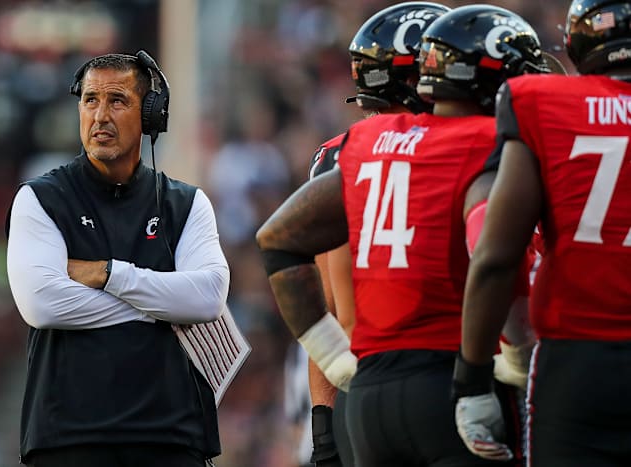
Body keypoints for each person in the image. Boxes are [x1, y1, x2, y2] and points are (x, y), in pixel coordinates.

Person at [257, 5, 549, 466]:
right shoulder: (478, 142)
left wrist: (324, 414)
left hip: (362, 388)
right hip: (455, 378)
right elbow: (493, 258)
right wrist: (515, 361)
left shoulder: (353, 147)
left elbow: (323, 294)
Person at [5, 51, 230, 467]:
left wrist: (110, 274)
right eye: (90, 100)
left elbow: (208, 298)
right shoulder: (39, 199)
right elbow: (42, 304)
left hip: (171, 437)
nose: (100, 115)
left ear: (150, 114)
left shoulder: (187, 203)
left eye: (117, 100)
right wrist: (162, 305)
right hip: (68, 439)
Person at [452, 0, 631, 465]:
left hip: (579, 363)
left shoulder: (542, 102)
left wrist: (471, 378)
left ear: (577, 44)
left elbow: (495, 256)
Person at [303, 3, 450, 466]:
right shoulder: (467, 144)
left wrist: (323, 425)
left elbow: (323, 309)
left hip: (359, 394)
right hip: (447, 382)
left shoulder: (338, 155)